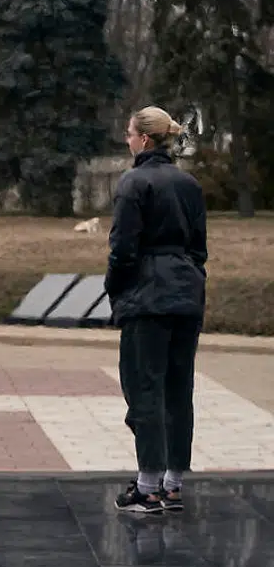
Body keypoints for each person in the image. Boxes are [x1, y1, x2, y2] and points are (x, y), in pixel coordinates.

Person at [107, 106, 207, 514]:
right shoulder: (189, 183)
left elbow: (123, 249)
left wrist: (115, 291)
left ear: (145, 139)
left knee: (144, 389)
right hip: (187, 293)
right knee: (179, 389)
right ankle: (173, 484)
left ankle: (146, 488)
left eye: (130, 134)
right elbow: (199, 248)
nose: (127, 140)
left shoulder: (134, 183)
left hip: (147, 297)